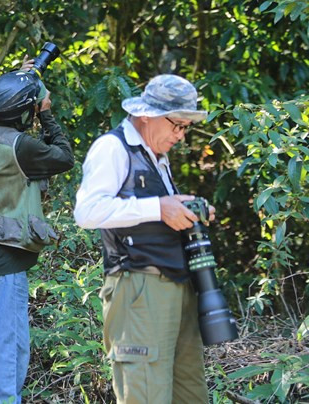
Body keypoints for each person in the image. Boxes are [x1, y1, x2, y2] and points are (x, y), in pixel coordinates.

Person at [73, 74, 216, 404]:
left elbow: (157, 212)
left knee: (190, 392)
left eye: (185, 127)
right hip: (139, 288)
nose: (180, 136)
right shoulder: (113, 148)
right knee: (145, 394)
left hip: (178, 285)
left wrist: (189, 210)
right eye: (176, 125)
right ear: (147, 116)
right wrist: (158, 208)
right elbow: (87, 212)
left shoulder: (157, 157)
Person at [0, 65, 74, 403]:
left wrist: (19, 78)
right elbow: (64, 157)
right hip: (3, 259)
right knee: (6, 350)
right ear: (26, 112)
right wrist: (47, 114)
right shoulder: (21, 146)